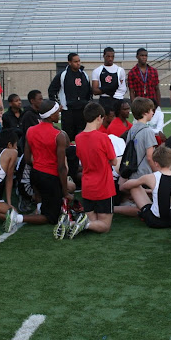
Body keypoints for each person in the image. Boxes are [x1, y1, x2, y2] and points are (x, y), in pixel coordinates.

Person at [3, 100, 70, 232]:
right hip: (50, 176)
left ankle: (39, 208)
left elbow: (28, 158)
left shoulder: (31, 130)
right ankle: (18, 218)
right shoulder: (59, 135)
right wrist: (65, 191)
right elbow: (61, 167)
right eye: (57, 113)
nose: (59, 115)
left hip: (35, 172)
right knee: (52, 217)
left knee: (42, 199)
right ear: (50, 116)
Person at [65, 102, 118, 239]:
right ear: (99, 117)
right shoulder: (103, 137)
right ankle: (80, 224)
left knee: (94, 221)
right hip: (104, 186)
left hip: (88, 185)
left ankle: (72, 224)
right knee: (104, 226)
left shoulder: (78, 137)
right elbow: (114, 161)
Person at [120, 145, 171, 228]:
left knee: (134, 187)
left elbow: (127, 185)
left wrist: (123, 188)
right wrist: (147, 191)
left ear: (155, 163)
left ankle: (113, 208)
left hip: (156, 221)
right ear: (170, 161)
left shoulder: (151, 177)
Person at [48, 53, 92, 141]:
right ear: (69, 62)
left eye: (79, 61)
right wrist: (58, 104)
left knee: (82, 137)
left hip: (82, 111)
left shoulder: (84, 75)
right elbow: (51, 90)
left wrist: (88, 103)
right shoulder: (63, 75)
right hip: (68, 111)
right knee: (68, 137)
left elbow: (89, 92)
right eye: (75, 61)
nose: (78, 63)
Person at [124, 97, 159, 179]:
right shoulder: (148, 131)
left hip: (132, 173)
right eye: (151, 110)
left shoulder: (132, 129)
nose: (153, 113)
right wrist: (157, 173)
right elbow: (150, 157)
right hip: (144, 174)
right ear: (145, 113)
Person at [91, 47, 127, 113]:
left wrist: (103, 89)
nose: (110, 59)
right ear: (103, 56)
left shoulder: (120, 70)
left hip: (118, 100)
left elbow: (123, 89)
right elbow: (95, 91)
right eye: (108, 56)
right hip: (105, 100)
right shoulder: (97, 71)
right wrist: (110, 88)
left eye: (112, 56)